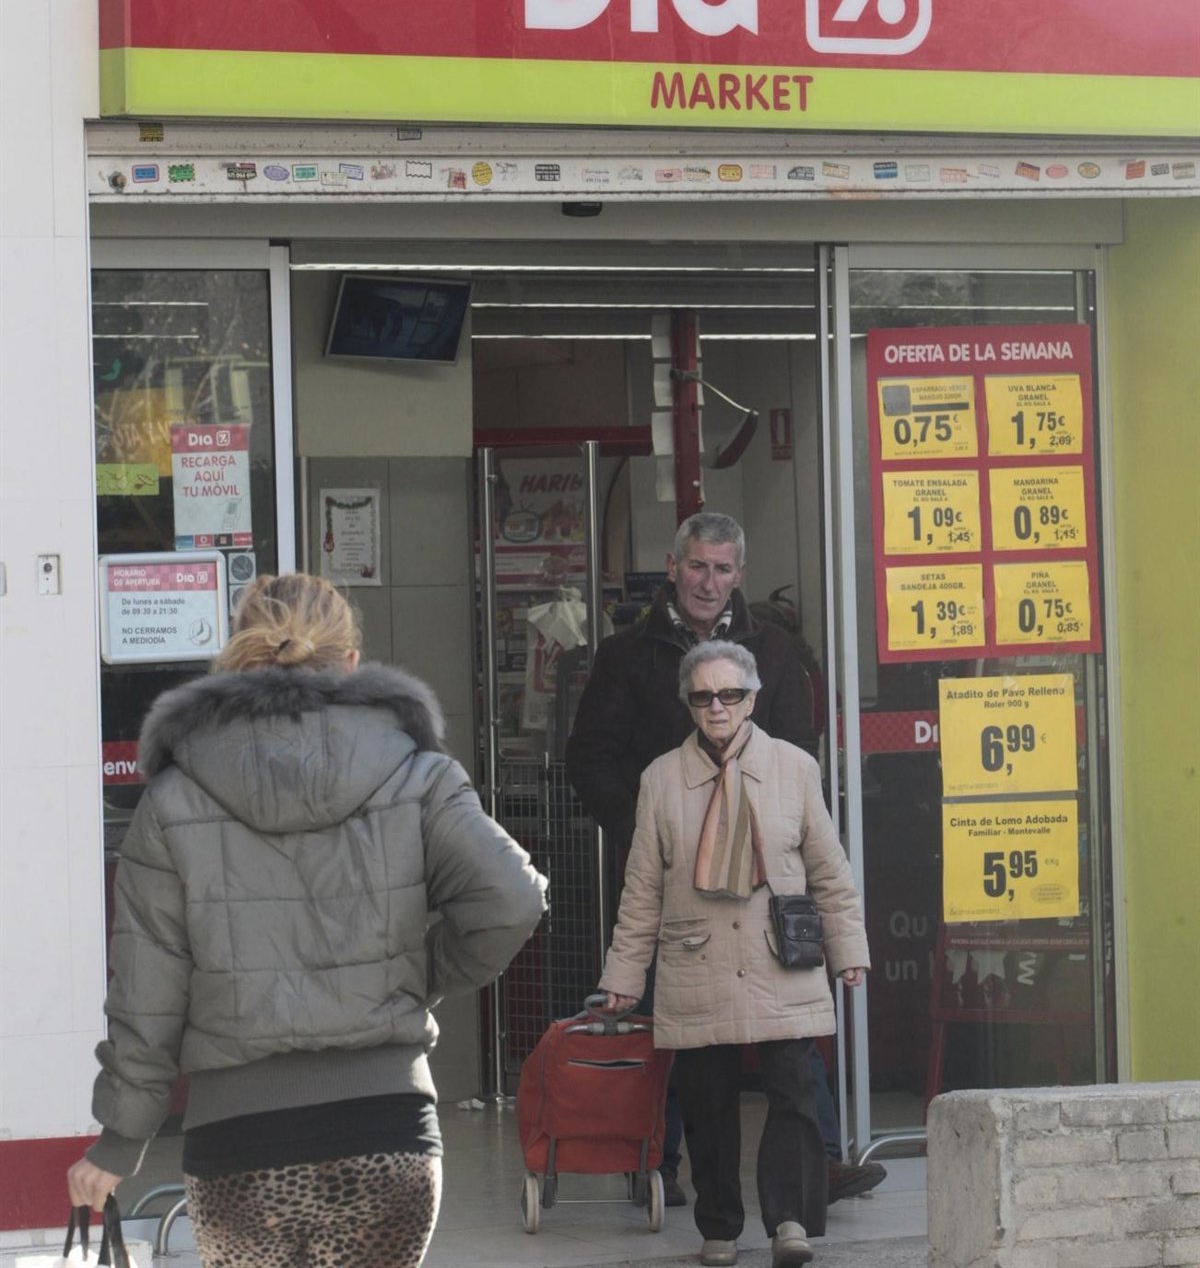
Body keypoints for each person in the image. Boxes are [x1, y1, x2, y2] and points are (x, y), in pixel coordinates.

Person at [67, 573, 548, 1268]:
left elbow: (148, 990)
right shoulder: (418, 774)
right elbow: (512, 898)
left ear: (236, 659)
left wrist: (121, 1139)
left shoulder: (173, 798)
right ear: (351, 662)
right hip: (389, 1129)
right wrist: (417, 974)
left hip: (238, 1141)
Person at [565, 512, 883, 1204]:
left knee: (790, 1027)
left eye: (722, 568)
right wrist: (652, 829)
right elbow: (589, 758)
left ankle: (819, 1164)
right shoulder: (627, 655)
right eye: (696, 566)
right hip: (673, 877)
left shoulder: (775, 651)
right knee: (673, 1026)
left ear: (739, 573)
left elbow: (798, 753)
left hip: (770, 881)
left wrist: (771, 832)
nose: (708, 582)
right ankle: (657, 1164)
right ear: (673, 567)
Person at [599, 641, 870, 1268]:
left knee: (794, 1094)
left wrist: (847, 948)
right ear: (688, 703)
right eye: (702, 696)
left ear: (751, 700)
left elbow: (829, 872)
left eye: (729, 694)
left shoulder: (794, 768)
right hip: (697, 961)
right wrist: (624, 974)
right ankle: (718, 1227)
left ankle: (791, 1222)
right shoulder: (660, 778)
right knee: (707, 1103)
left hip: (781, 958)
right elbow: (642, 889)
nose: (716, 706)